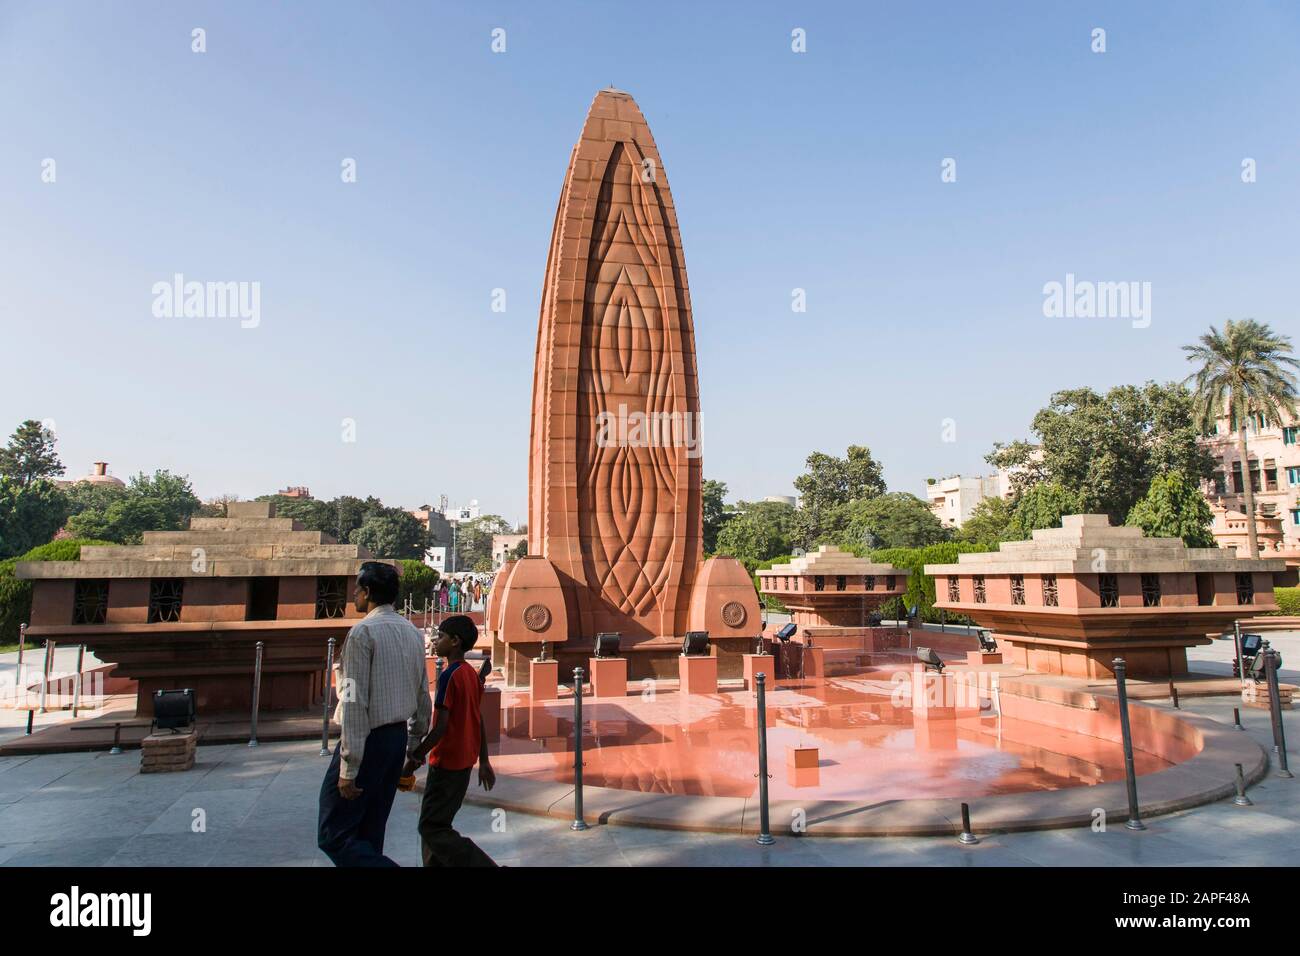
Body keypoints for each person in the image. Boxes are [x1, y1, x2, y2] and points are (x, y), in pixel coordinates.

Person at [317, 561, 431, 867]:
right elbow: (423, 694)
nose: (354, 595)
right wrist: (413, 746)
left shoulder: (362, 633)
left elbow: (353, 702)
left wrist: (349, 766)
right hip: (394, 742)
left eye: (357, 589)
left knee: (334, 834)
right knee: (370, 832)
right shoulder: (412, 632)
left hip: (368, 740)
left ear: (367, 592)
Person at [405, 614, 497, 867]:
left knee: (432, 827)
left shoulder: (450, 676)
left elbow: (440, 727)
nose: (436, 641)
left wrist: (415, 757)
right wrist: (485, 760)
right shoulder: (469, 674)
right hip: (464, 763)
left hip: (446, 763)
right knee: (435, 825)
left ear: (455, 641)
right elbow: (478, 719)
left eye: (441, 636)